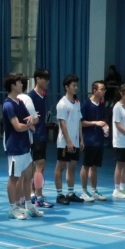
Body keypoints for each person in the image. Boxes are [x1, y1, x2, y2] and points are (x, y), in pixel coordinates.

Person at [2, 72, 42, 220]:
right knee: (14, 178)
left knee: (28, 177)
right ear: (13, 85)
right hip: (15, 148)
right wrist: (29, 125)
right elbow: (18, 127)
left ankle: (28, 205)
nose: (22, 84)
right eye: (19, 82)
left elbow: (34, 120)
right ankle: (13, 208)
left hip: (25, 146)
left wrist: (32, 119)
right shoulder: (8, 105)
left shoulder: (20, 102)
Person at [54, 74, 84, 205]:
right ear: (67, 87)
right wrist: (68, 141)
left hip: (75, 142)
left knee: (72, 167)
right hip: (64, 143)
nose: (76, 88)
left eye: (76, 85)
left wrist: (81, 139)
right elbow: (62, 124)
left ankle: (70, 193)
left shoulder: (77, 103)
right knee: (60, 167)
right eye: (73, 85)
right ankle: (59, 195)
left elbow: (79, 121)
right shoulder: (62, 104)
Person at [28, 68, 53, 207]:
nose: (47, 82)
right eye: (45, 79)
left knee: (36, 166)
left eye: (48, 79)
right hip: (34, 135)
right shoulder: (30, 97)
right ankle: (38, 197)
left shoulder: (43, 95)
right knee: (40, 166)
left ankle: (33, 194)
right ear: (37, 79)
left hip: (42, 134)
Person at [80, 80, 108, 201]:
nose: (104, 91)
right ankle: (84, 191)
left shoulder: (102, 105)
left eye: (104, 89)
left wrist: (105, 126)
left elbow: (103, 120)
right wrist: (95, 123)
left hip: (99, 140)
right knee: (86, 165)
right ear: (94, 90)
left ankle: (94, 190)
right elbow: (81, 122)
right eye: (102, 89)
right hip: (89, 140)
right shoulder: (86, 104)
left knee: (95, 166)